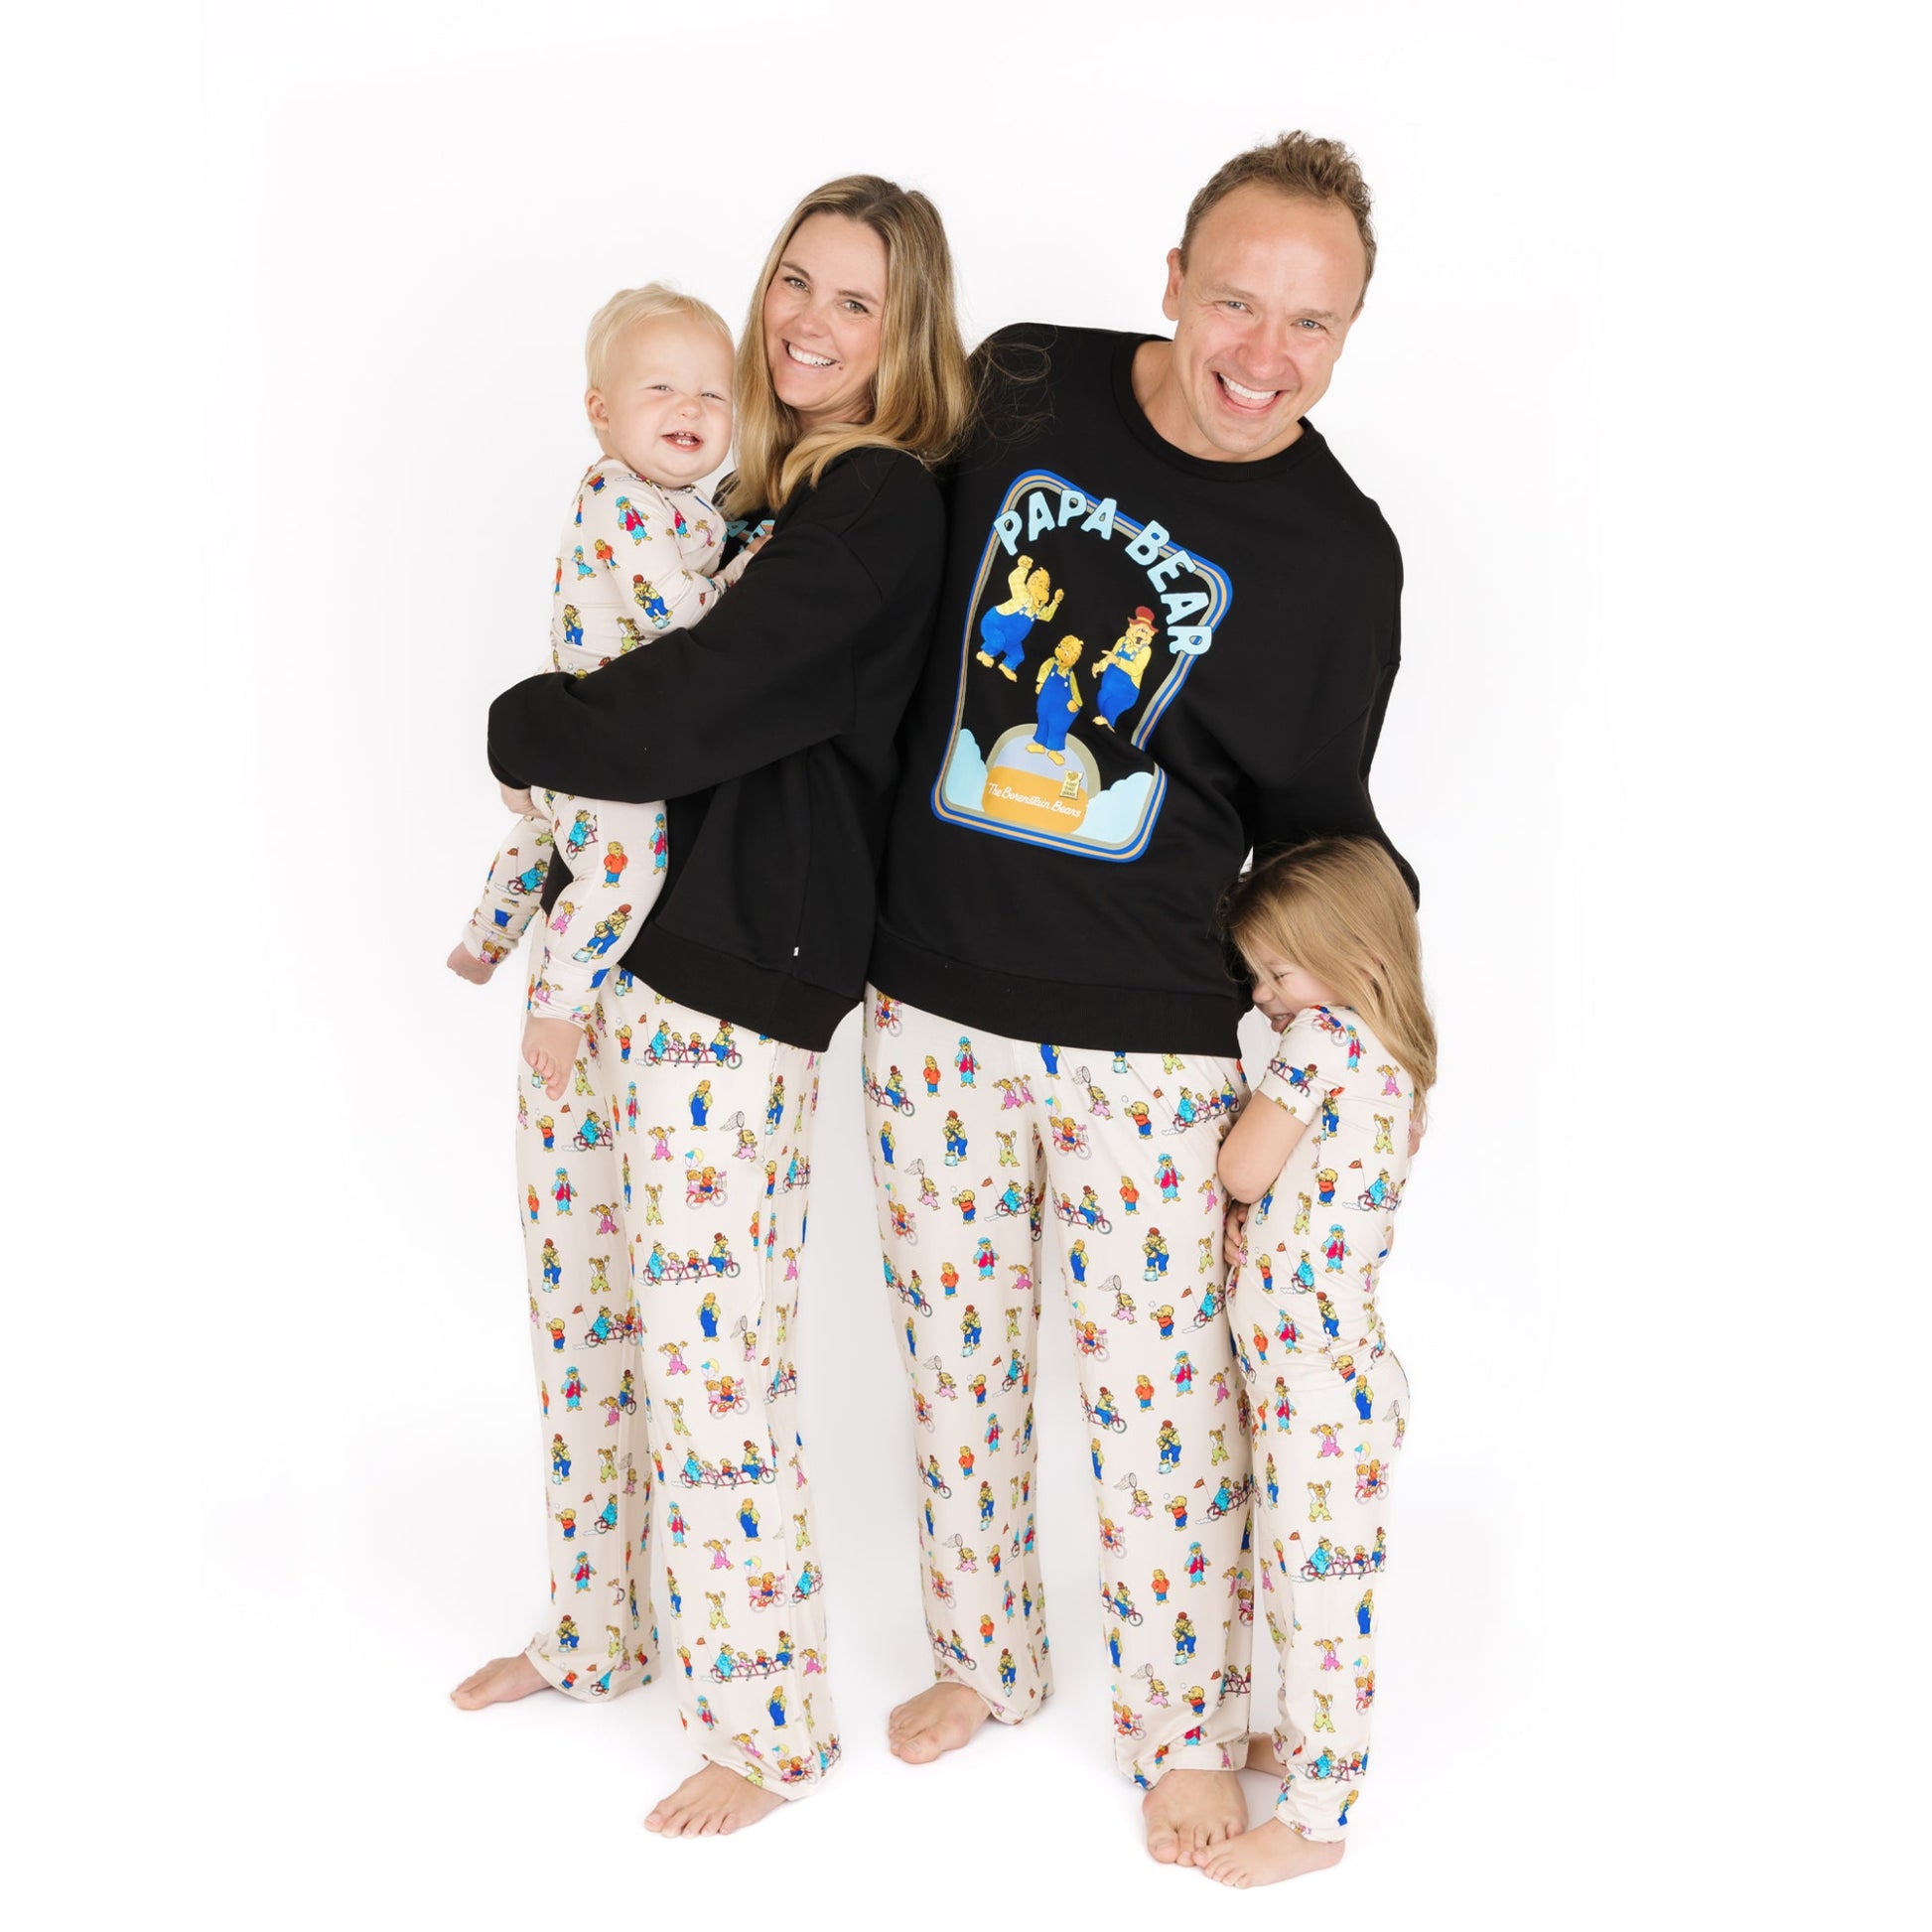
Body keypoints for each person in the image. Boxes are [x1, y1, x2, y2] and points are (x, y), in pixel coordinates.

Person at [863, 132, 1417, 1866]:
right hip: (930, 987)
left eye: (1311, 326)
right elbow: (866, 578)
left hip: (1155, 1034)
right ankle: (985, 1653)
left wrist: (1362, 1031)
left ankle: (1177, 1726)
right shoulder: (1024, 378)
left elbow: (1321, 825)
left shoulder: (1341, 555)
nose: (1265, 354)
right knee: (953, 1358)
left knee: (1157, 1400)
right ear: (1169, 281)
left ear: (1347, 337)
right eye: (1237, 300)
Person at [450, 175, 973, 1839]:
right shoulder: (743, 491)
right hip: (610, 963)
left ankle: (768, 1727)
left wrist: (519, 723)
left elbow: (688, 713)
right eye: (793, 284)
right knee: (588, 1316)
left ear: (908, 338)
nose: (807, 324)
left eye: (854, 305)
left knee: (709, 1360)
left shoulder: (874, 502)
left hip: (738, 978)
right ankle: (596, 1632)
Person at [447, 286, 755, 1097]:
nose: (690, 405)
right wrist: (746, 575)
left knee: (548, 830)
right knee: (623, 869)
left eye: (713, 393)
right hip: (602, 733)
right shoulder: (620, 496)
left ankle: (484, 938)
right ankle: (558, 1002)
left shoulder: (675, 501)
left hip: (590, 730)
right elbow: (673, 610)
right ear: (601, 410)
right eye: (661, 387)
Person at [1206, 834, 1435, 1887]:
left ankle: (1316, 1815)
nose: (1263, 997)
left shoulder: (1324, 1041)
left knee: (1321, 1595)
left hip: (1318, 1384)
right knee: (1298, 1580)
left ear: (1348, 952)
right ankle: (1296, 1745)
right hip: (1324, 1371)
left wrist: (1244, 1076)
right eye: (1255, 977)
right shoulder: (1387, 1056)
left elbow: (1243, 1168)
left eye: (1275, 970)